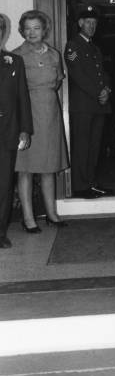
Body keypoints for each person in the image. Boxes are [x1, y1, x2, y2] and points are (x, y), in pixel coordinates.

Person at [13, 10, 68, 232]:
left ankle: (52, 214)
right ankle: (28, 218)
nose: (32, 32)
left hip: (51, 113)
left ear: (44, 29)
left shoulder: (55, 54)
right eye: (27, 28)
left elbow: (57, 82)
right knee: (25, 168)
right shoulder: (16, 56)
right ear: (22, 31)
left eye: (36, 28)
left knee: (49, 166)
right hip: (27, 114)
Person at [64, 6, 111, 198]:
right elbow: (77, 75)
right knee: (82, 147)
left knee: (94, 147)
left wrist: (107, 89)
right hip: (83, 105)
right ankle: (80, 186)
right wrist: (98, 92)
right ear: (80, 23)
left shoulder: (94, 47)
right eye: (88, 23)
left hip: (98, 105)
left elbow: (103, 74)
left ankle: (91, 183)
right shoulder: (73, 46)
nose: (92, 26)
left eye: (94, 23)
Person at [0, 13, 33, 247]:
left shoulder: (14, 61)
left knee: (3, 184)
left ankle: (0, 233)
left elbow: (23, 97)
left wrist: (24, 129)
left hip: (7, 132)